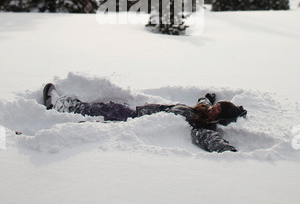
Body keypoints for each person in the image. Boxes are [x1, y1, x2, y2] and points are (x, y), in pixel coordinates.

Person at [43, 84, 247, 154]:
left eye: (218, 112)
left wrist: (226, 150)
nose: (214, 110)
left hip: (133, 123)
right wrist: (210, 98)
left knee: (95, 116)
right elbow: (204, 102)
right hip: (136, 112)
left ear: (218, 121)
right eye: (217, 107)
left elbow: (212, 141)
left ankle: (57, 106)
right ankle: (63, 105)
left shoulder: (202, 127)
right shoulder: (204, 109)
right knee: (101, 108)